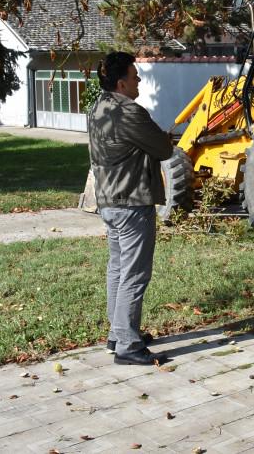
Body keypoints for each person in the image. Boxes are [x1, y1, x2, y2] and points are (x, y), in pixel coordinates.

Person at [88, 51, 174, 366]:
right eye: (135, 76)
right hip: (132, 203)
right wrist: (164, 137)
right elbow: (163, 148)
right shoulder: (129, 112)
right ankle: (127, 345)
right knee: (135, 273)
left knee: (118, 268)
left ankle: (118, 334)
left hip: (109, 201)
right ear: (122, 83)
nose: (138, 80)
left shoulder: (98, 108)